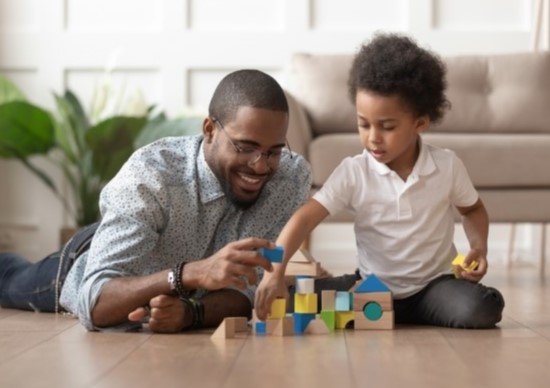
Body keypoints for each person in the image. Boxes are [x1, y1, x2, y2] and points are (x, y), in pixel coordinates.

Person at [0, 69, 312, 333]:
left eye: (273, 151)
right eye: (245, 147)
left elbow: (247, 288)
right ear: (209, 130)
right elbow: (93, 300)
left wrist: (192, 312)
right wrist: (187, 274)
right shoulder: (151, 175)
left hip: (173, 291)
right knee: (8, 279)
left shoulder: (289, 179)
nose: (261, 166)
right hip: (92, 262)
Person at [255, 33, 505, 329]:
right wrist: (274, 273)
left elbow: (472, 210)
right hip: (373, 286)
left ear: (420, 123)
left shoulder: (446, 165)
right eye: (363, 124)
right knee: (296, 299)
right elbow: (304, 219)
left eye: (386, 126)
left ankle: (389, 314)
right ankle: (367, 305)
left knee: (482, 309)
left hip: (435, 288)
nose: (373, 137)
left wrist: (479, 248)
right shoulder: (354, 172)